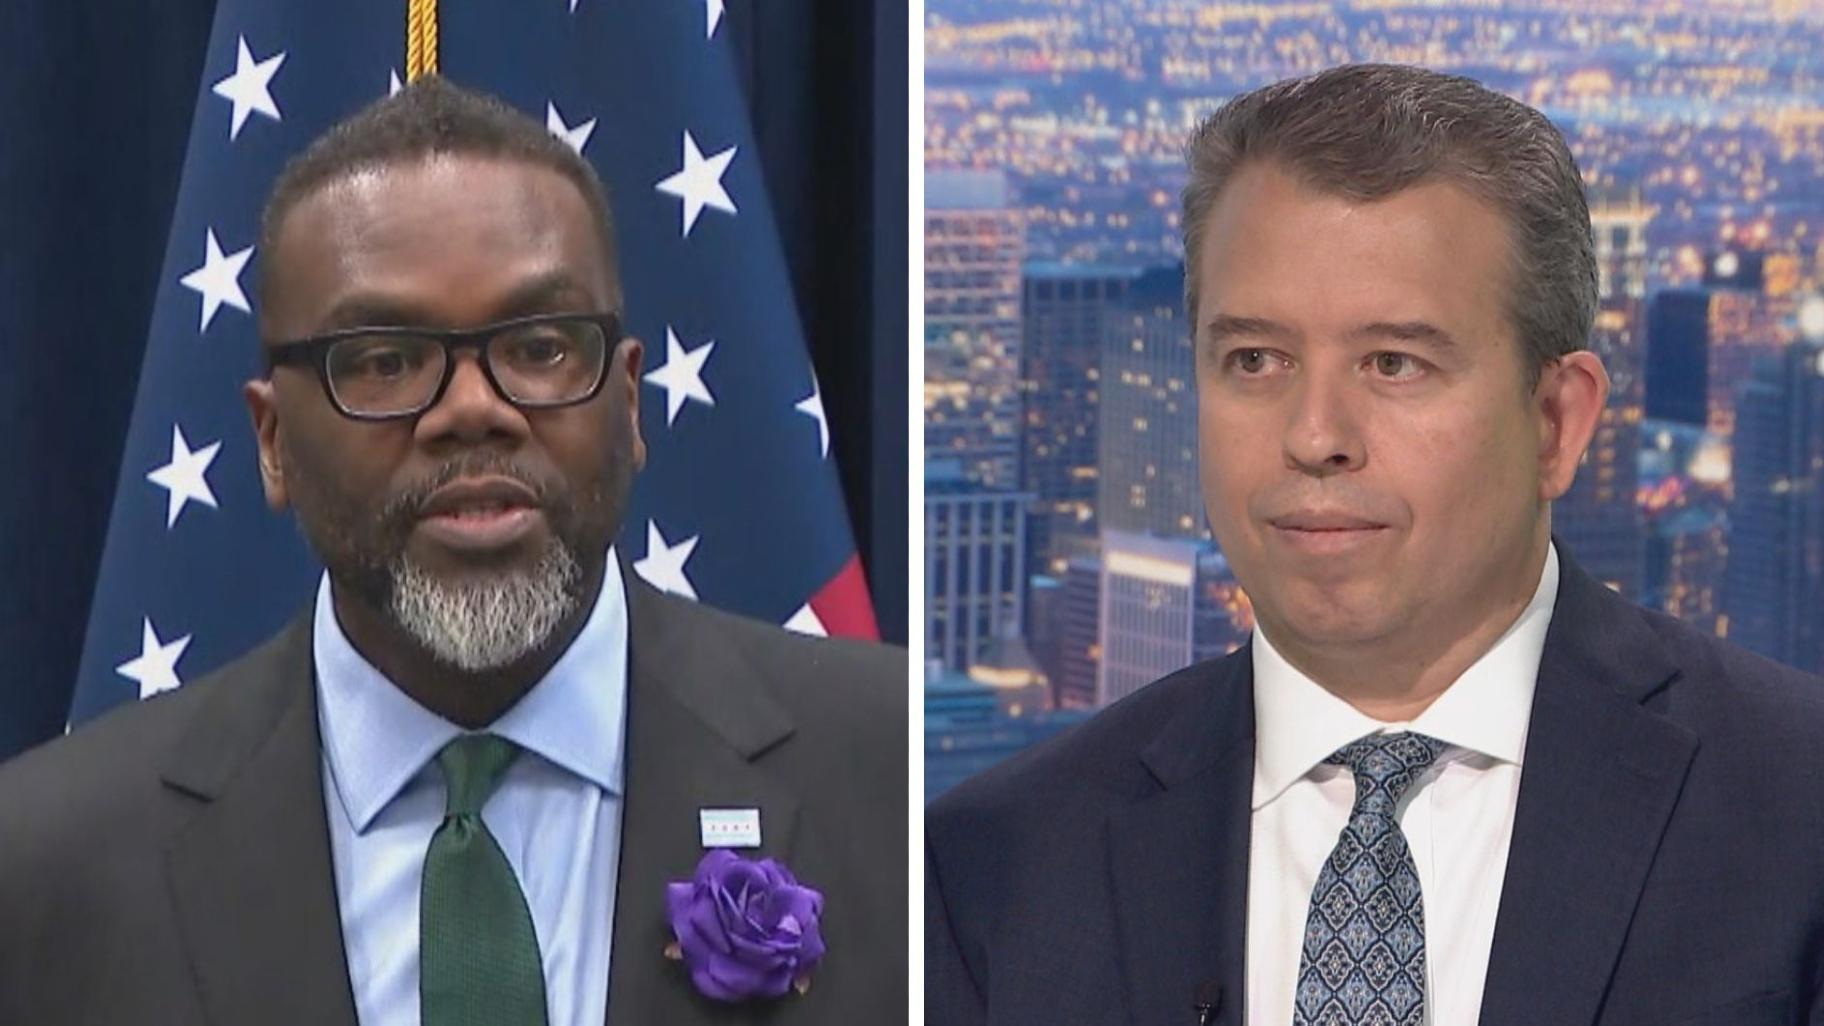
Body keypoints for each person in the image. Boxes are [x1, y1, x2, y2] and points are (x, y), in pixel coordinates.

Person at [926, 63, 1824, 1025]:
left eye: (1393, 363)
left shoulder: (1796, 806)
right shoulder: (993, 868)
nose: (1315, 435)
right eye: (1255, 360)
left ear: (1556, 422)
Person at [0, 78, 906, 1026]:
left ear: (630, 401)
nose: (474, 409)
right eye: (384, 361)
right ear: (271, 442)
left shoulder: (891, 779)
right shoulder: (48, 869)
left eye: (541, 348)